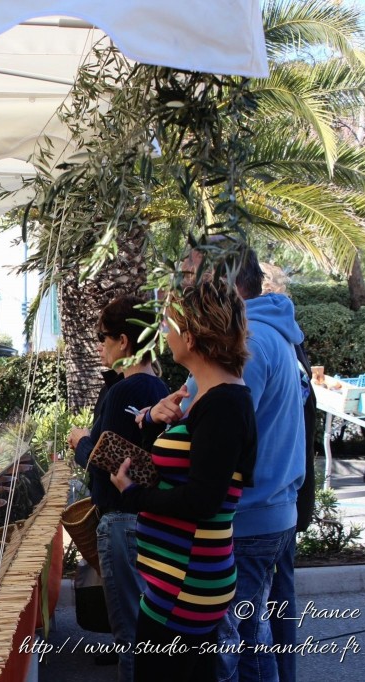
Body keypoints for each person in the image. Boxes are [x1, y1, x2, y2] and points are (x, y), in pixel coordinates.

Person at [149, 244, 306, 682]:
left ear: (225, 283)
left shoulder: (248, 344)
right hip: (273, 510)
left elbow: (214, 434)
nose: (183, 289)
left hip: (249, 518)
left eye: (189, 277)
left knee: (243, 649)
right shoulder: (263, 335)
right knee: (256, 639)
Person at [113, 279, 257, 682]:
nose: (162, 334)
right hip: (179, 580)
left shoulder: (223, 404)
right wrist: (153, 423)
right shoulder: (210, 399)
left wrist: (132, 494)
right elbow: (182, 472)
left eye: (168, 325)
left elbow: (203, 500)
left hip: (187, 582)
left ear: (190, 337)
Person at [67, 295, 169, 681]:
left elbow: (115, 460)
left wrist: (81, 443)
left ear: (124, 341)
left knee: (131, 636)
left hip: (123, 523)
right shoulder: (156, 385)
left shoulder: (127, 391)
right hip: (147, 520)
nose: (98, 345)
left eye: (103, 337)